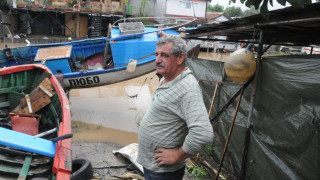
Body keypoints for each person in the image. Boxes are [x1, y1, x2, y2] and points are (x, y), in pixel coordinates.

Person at [137, 35, 214, 180]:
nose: (157, 60)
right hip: (153, 166)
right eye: (157, 54)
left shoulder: (187, 89)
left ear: (180, 58)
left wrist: (177, 155)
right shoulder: (166, 78)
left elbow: (203, 133)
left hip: (164, 173)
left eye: (164, 55)